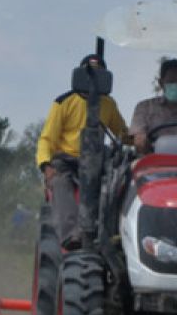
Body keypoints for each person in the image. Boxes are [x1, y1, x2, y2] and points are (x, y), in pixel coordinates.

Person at [36, 53, 129, 247]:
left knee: (120, 183)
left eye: (99, 76)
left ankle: (117, 233)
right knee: (60, 183)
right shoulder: (63, 103)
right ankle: (72, 235)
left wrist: (139, 139)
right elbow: (47, 139)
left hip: (97, 159)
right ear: (79, 77)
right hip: (66, 160)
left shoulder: (108, 104)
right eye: (89, 75)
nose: (93, 81)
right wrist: (46, 166)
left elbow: (122, 133)